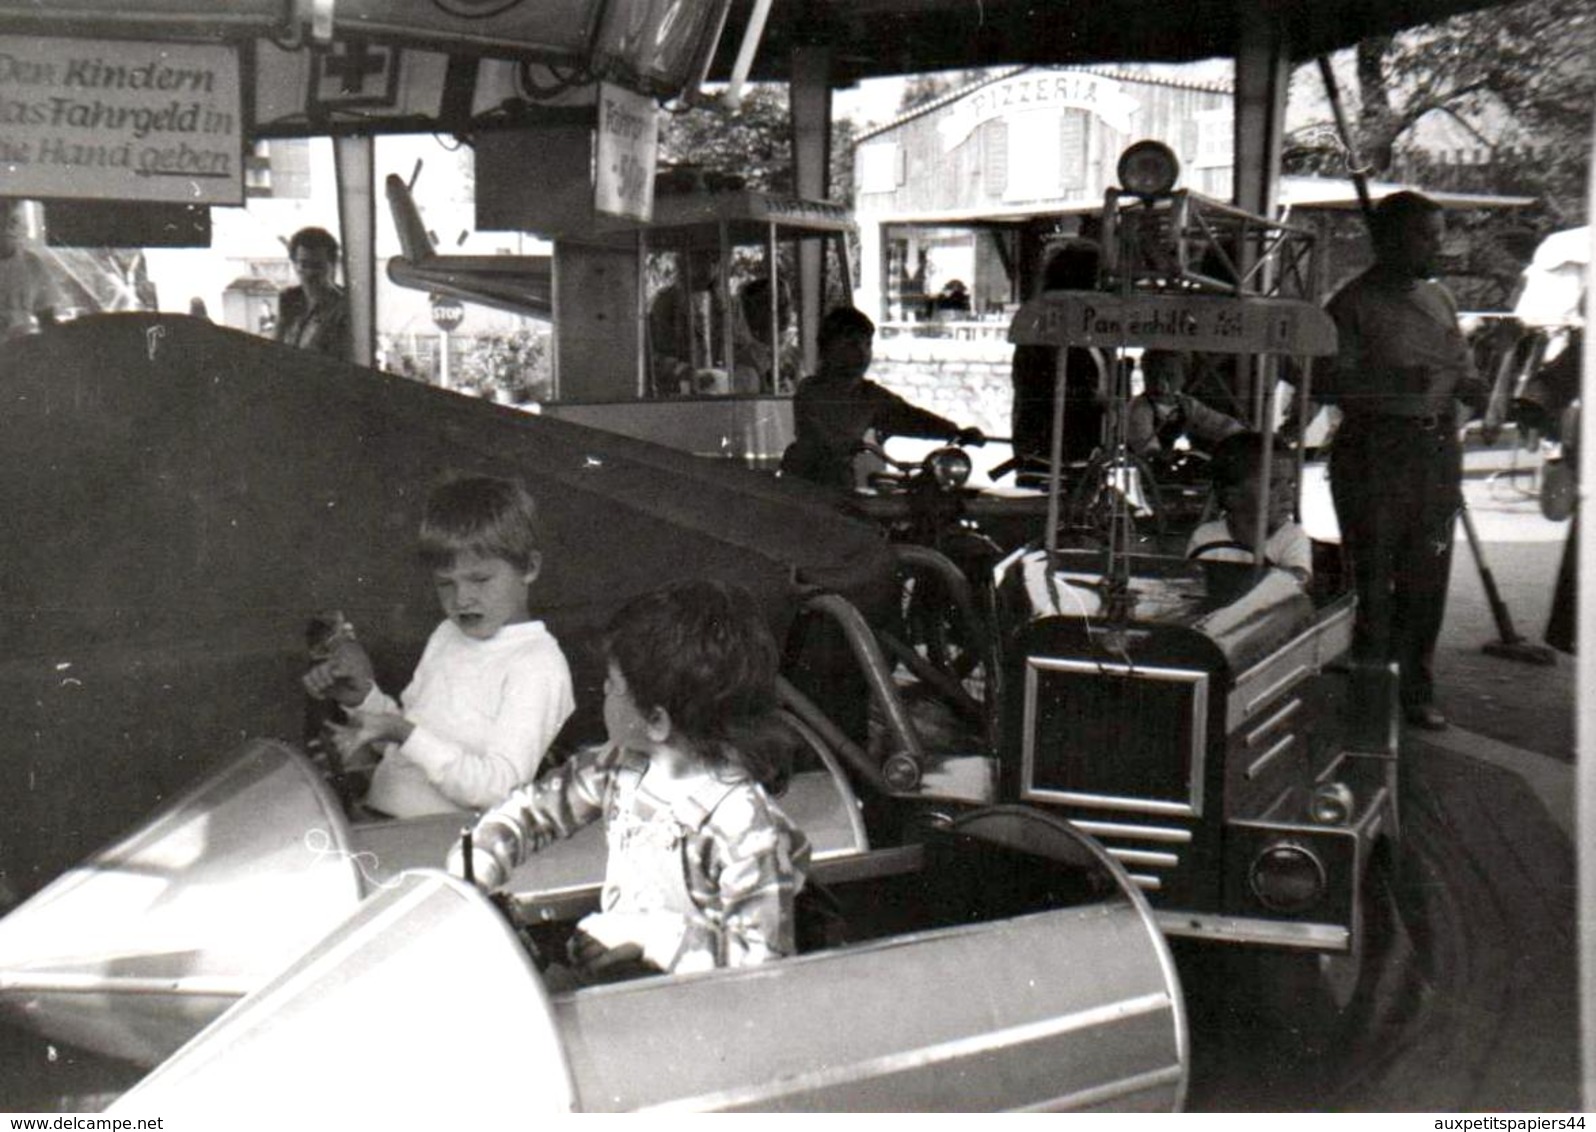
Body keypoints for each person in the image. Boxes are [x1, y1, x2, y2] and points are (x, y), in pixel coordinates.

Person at [450, 578, 810, 980]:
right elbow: (538, 809)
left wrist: (648, 935)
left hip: (703, 1010)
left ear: (657, 721)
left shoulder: (743, 825)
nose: (603, 690)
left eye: (614, 686)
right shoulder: (620, 766)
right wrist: (483, 855)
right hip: (627, 980)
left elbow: (767, 965)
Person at [303, 474, 575, 817]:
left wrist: (400, 731)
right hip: (377, 822)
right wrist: (362, 700)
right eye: (445, 583)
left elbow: (497, 789)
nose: (462, 598)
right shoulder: (447, 634)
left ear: (530, 568)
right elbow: (408, 746)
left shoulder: (538, 664)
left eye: (480, 579)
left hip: (441, 848)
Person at [1322, 191, 1488, 731]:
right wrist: (1389, 382)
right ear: (1387, 239)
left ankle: (1417, 688)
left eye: (1439, 235)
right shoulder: (1350, 304)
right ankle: (1371, 693)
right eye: (1425, 235)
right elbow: (1319, 381)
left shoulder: (1440, 299)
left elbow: (1458, 363)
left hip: (1436, 450)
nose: (1435, 247)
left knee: (1429, 573)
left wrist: (1470, 384)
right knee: (1374, 579)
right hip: (1375, 451)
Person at [781, 306, 985, 492]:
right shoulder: (811, 389)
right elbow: (819, 430)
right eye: (852, 344)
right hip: (804, 484)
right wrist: (840, 445)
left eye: (867, 344)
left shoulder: (869, 395)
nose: (862, 352)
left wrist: (955, 431)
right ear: (828, 349)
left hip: (841, 483)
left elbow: (908, 417)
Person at [1009, 239, 1108, 469]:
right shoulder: (1040, 337)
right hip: (1049, 454)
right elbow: (1041, 395)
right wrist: (1096, 402)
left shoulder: (1094, 338)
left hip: (1089, 452)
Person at [1187, 432, 1312, 584]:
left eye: (1291, 483)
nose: (1288, 494)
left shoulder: (1291, 536)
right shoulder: (1205, 536)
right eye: (1272, 485)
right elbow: (1193, 585)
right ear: (1232, 496)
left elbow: (1299, 581)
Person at [1127, 349, 1246, 459]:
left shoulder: (1185, 405)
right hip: (1140, 465)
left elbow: (1216, 423)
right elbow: (1144, 442)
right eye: (1152, 375)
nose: (1160, 383)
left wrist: (1243, 435)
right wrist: (1160, 455)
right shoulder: (1140, 408)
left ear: (1183, 378)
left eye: (1170, 376)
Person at [649, 248, 724, 395]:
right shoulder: (666, 301)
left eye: (714, 261)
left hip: (720, 388)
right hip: (678, 391)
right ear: (683, 264)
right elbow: (652, 354)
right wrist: (683, 370)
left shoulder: (723, 304)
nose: (708, 267)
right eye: (700, 260)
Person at [276, 226, 350, 360]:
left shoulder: (343, 308)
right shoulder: (289, 300)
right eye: (304, 264)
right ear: (294, 265)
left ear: (332, 265)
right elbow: (275, 348)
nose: (310, 273)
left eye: (317, 266)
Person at [1, 200, 61, 340]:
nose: (11, 225)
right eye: (3, 217)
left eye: (14, 219)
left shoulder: (32, 264)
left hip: (20, 354)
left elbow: (47, 321)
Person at [730, 277, 797, 394]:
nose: (787, 310)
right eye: (779, 305)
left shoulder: (793, 356)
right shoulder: (747, 367)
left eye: (787, 303)